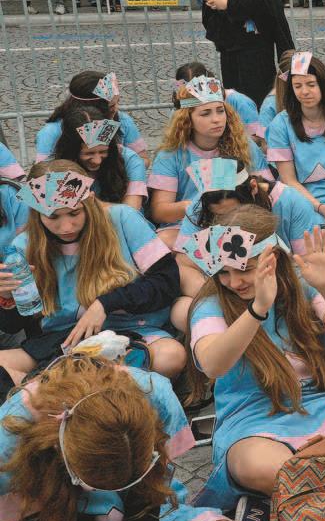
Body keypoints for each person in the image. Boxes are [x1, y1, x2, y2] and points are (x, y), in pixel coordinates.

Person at [185, 207, 325, 513]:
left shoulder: (299, 285)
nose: (234, 282)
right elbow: (213, 364)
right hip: (253, 418)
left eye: (245, 269)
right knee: (255, 464)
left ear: (273, 258)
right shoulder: (211, 304)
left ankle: (303, 492)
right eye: (224, 272)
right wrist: (257, 310)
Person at [0, 353, 271, 521]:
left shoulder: (155, 395)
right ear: (61, 452)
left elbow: (154, 490)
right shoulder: (8, 440)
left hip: (150, 517)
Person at [0, 161, 186, 384]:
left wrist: (105, 304)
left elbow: (167, 281)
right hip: (62, 340)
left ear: (89, 202)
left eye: (74, 213)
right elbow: (14, 325)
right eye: (53, 216)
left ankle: (53, 385)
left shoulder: (122, 218)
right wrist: (8, 298)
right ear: (36, 213)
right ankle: (73, 383)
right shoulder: (24, 245)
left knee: (171, 356)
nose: (66, 227)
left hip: (132, 333)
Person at [174, 158, 323, 305]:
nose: (229, 221)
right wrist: (227, 299)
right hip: (227, 291)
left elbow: (306, 264)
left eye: (235, 211)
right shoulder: (199, 208)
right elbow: (184, 263)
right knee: (182, 306)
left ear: (253, 187)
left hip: (281, 285)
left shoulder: (292, 201)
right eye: (218, 217)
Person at [148, 75, 272, 239]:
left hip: (238, 220)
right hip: (188, 224)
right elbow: (159, 211)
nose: (216, 119)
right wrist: (199, 206)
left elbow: (266, 187)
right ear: (187, 119)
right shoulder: (171, 154)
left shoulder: (244, 144)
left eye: (220, 111)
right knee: (164, 240)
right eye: (205, 113)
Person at [266, 52, 325, 217]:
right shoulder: (280, 124)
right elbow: (289, 180)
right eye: (297, 86)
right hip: (299, 198)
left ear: (323, 84)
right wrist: (319, 207)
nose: (304, 92)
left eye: (311, 84)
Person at [36, 71, 147, 164]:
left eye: (118, 102)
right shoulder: (52, 131)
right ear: (93, 107)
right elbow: (42, 172)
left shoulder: (122, 120)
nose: (116, 109)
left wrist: (121, 166)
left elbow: (143, 159)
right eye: (111, 106)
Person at [50, 105, 147, 209]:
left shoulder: (131, 161)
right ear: (72, 151)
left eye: (103, 152)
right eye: (89, 153)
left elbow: (131, 209)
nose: (97, 161)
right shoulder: (58, 167)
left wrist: (88, 204)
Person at [174, 61, 261, 139]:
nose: (216, 119)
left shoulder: (240, 102)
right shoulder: (185, 104)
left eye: (221, 111)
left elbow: (257, 136)